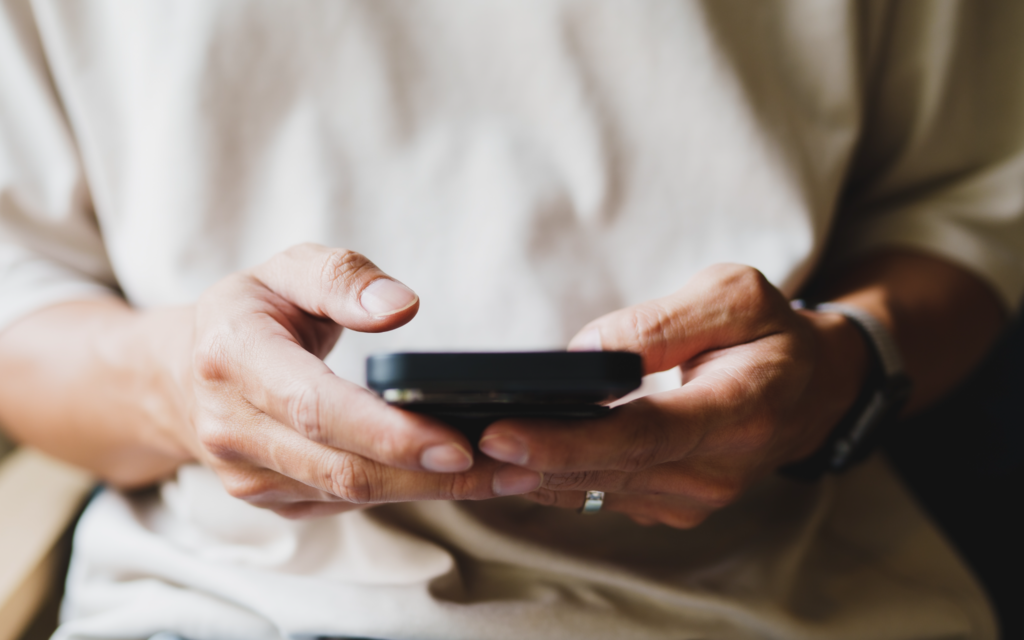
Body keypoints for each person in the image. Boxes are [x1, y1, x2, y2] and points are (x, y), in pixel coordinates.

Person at [1, 1, 1022, 638]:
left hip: (790, 600)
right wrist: (183, 385)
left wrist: (837, 372)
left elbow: (964, 211)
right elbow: (22, 295)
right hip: (236, 602)